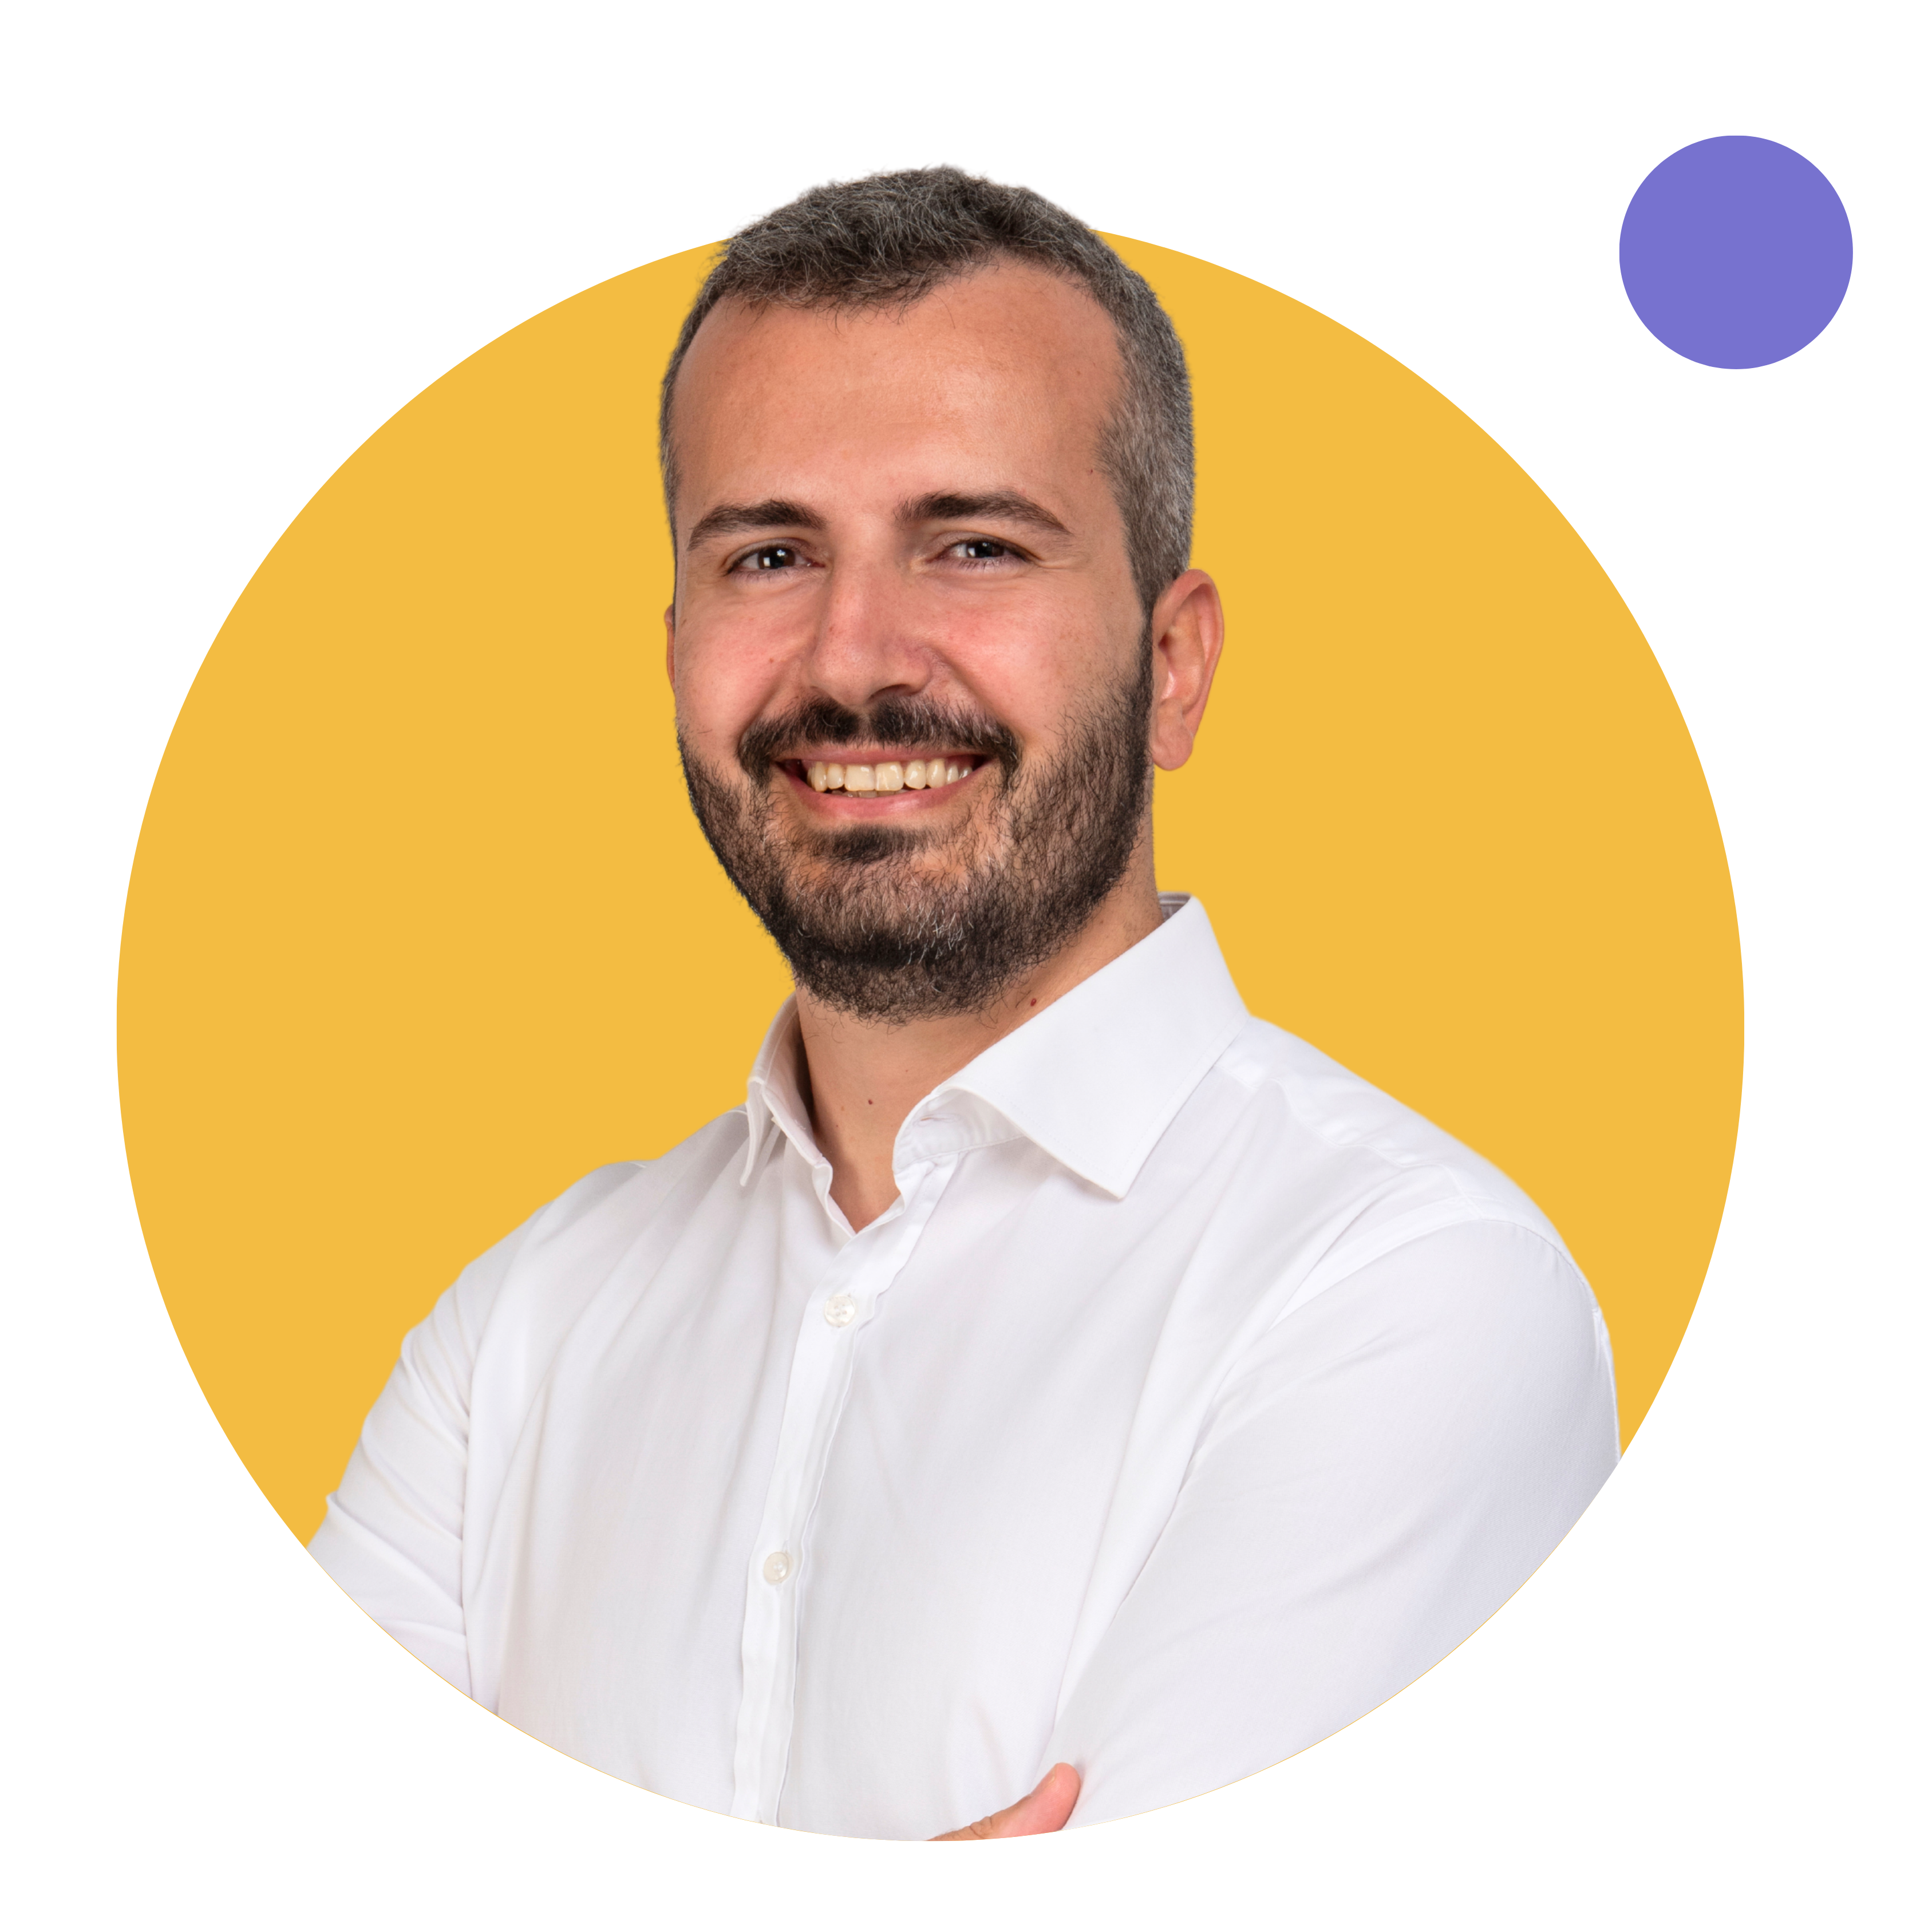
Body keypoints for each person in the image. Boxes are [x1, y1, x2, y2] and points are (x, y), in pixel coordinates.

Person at [310, 167, 1619, 1840]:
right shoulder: (517, 1334)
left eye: (974, 544)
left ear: (1175, 663)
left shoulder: (1414, 1294)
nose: (856, 656)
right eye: (770, 552)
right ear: (673, 645)